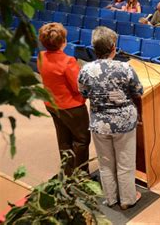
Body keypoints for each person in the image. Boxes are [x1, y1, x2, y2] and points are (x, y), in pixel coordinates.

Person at [78, 26, 143, 210]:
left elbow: (82, 92)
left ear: (94, 47)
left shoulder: (85, 70)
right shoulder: (125, 68)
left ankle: (111, 198)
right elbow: (138, 92)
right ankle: (128, 200)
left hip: (99, 124)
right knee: (125, 163)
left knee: (105, 163)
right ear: (113, 46)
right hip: (124, 123)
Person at [37, 23, 90, 176]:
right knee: (81, 140)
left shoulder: (41, 56)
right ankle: (81, 175)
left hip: (52, 105)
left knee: (64, 140)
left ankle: (68, 172)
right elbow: (77, 87)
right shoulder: (68, 61)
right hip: (71, 107)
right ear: (63, 42)